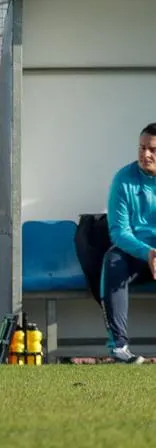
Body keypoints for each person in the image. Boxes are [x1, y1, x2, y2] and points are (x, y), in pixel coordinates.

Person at [101, 122, 156, 364]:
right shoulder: (123, 180)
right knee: (113, 260)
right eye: (142, 148)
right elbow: (119, 232)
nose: (146, 154)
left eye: (153, 149)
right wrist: (148, 252)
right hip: (135, 253)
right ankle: (119, 347)